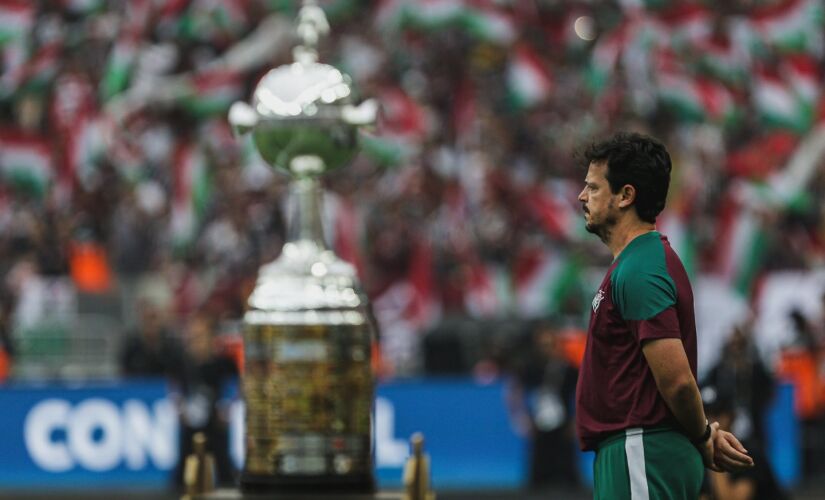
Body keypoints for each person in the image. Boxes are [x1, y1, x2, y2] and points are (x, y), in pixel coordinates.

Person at [573, 132, 753, 499]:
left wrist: (703, 436)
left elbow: (678, 380)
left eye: (593, 187)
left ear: (625, 196)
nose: (581, 196)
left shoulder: (641, 268)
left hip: (641, 448)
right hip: (636, 450)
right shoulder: (637, 264)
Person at [699, 383, 788, 500]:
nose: (710, 421)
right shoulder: (698, 452)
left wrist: (712, 452)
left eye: (717, 414)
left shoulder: (748, 451)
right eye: (705, 415)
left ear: (732, 416)